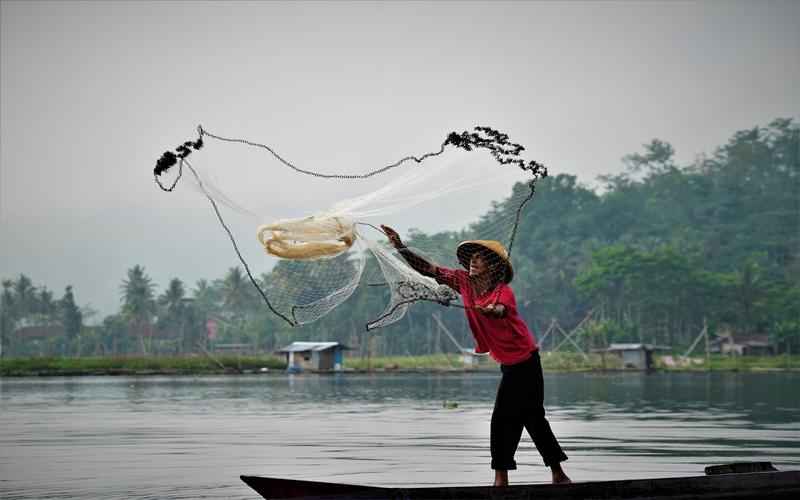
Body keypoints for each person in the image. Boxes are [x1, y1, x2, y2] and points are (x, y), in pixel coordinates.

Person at [381, 225, 571, 487]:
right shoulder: (463, 282)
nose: (473, 260)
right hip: (508, 364)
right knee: (531, 417)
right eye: (472, 257)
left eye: (480, 258)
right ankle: (557, 474)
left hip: (526, 361)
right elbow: (428, 269)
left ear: (493, 267)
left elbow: (502, 310)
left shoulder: (502, 290)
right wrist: (400, 246)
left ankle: (502, 478)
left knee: (505, 417)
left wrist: (493, 310)